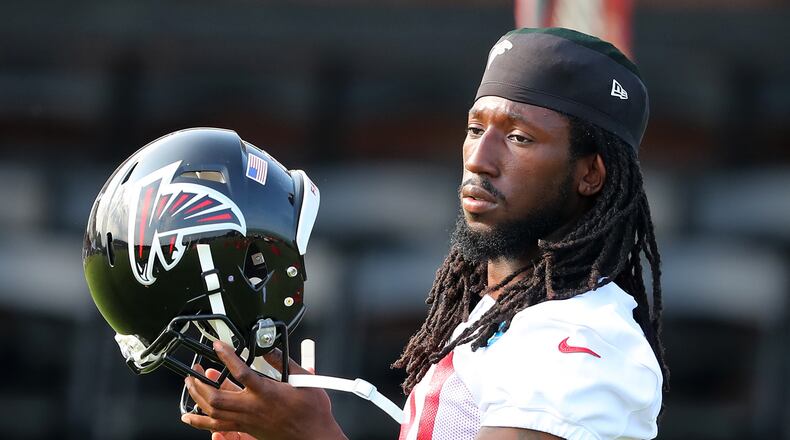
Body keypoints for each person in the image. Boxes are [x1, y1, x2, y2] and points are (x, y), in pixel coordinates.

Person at [180, 27, 668, 440]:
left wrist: (310, 432)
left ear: (590, 174)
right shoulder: (499, 316)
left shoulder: (580, 341)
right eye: (475, 129)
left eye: (519, 138)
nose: (480, 159)